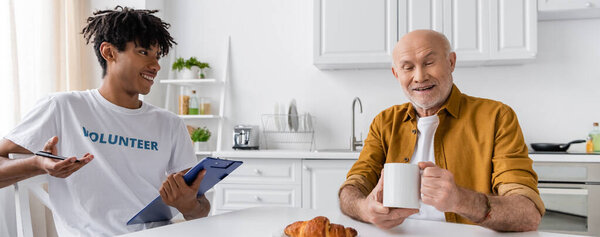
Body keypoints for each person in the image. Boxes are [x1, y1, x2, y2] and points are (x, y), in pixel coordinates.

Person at [0, 6, 209, 236]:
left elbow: (201, 209)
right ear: (109, 52)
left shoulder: (170, 124)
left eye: (157, 56)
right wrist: (37, 164)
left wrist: (188, 206)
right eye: (143, 52)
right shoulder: (62, 107)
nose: (156, 65)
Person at [338, 30, 544, 232]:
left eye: (428, 63)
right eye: (408, 67)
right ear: (396, 73)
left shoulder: (497, 117)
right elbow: (352, 187)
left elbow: (527, 213)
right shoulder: (384, 122)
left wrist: (460, 200)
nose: (419, 77)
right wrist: (364, 209)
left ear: (451, 62)